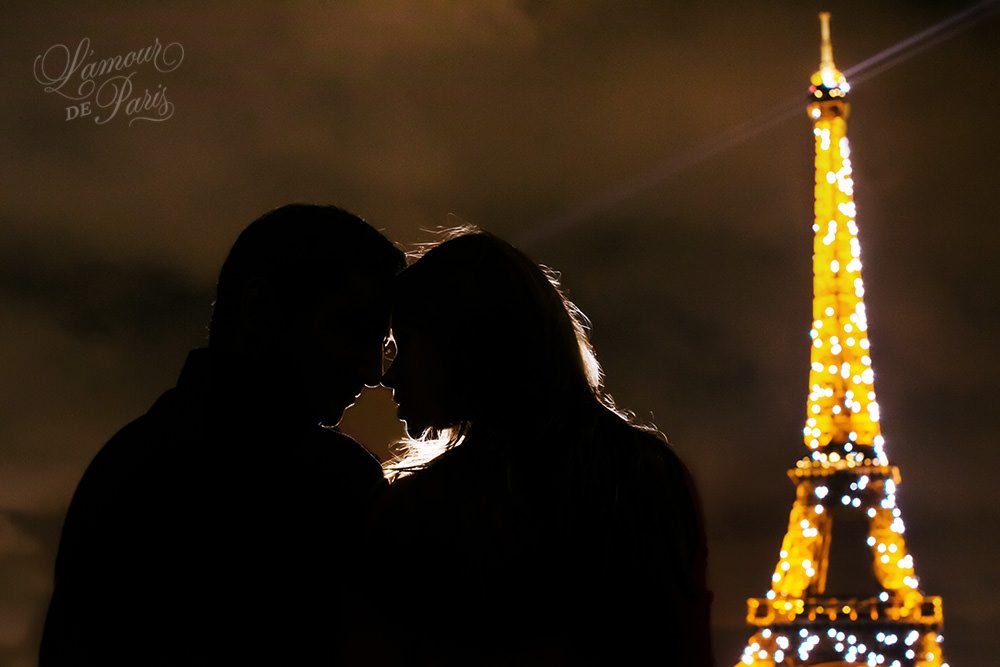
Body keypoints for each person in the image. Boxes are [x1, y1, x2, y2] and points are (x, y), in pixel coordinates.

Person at [39, 204, 405, 666]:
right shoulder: (331, 483)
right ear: (260, 310)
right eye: (353, 330)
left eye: (382, 345)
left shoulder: (125, 460)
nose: (373, 371)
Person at [365, 228, 714, 665]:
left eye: (405, 346)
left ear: (463, 346)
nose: (387, 375)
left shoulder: (425, 509)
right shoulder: (652, 474)